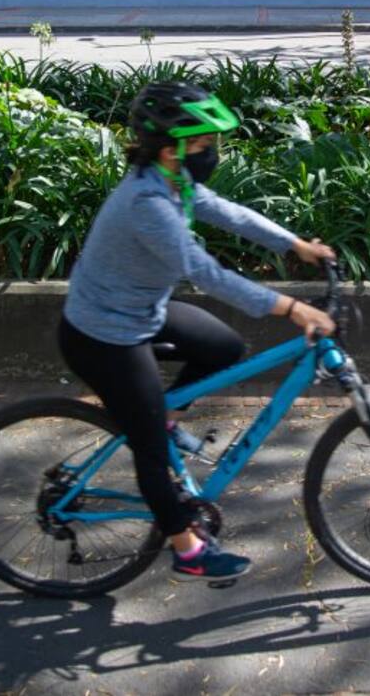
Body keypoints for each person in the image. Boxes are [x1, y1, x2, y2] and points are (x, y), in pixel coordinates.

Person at [58, 81, 337, 583]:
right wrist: (290, 307)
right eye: (205, 145)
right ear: (172, 150)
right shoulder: (147, 204)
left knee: (223, 347)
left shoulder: (173, 181)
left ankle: (161, 417)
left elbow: (228, 213)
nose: (213, 153)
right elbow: (205, 273)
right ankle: (187, 550)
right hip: (103, 336)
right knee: (149, 453)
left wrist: (295, 244)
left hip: (142, 310)